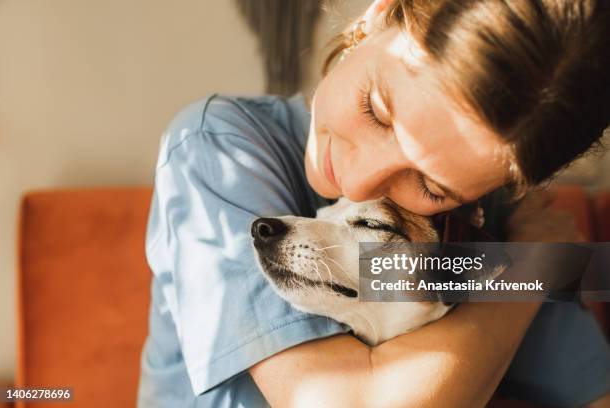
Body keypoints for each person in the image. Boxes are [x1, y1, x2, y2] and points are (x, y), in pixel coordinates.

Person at [137, 0, 610, 406]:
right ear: (379, 14)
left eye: (430, 186)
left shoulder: (478, 228)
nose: (359, 184)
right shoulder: (216, 146)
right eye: (378, 112)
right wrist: (532, 270)